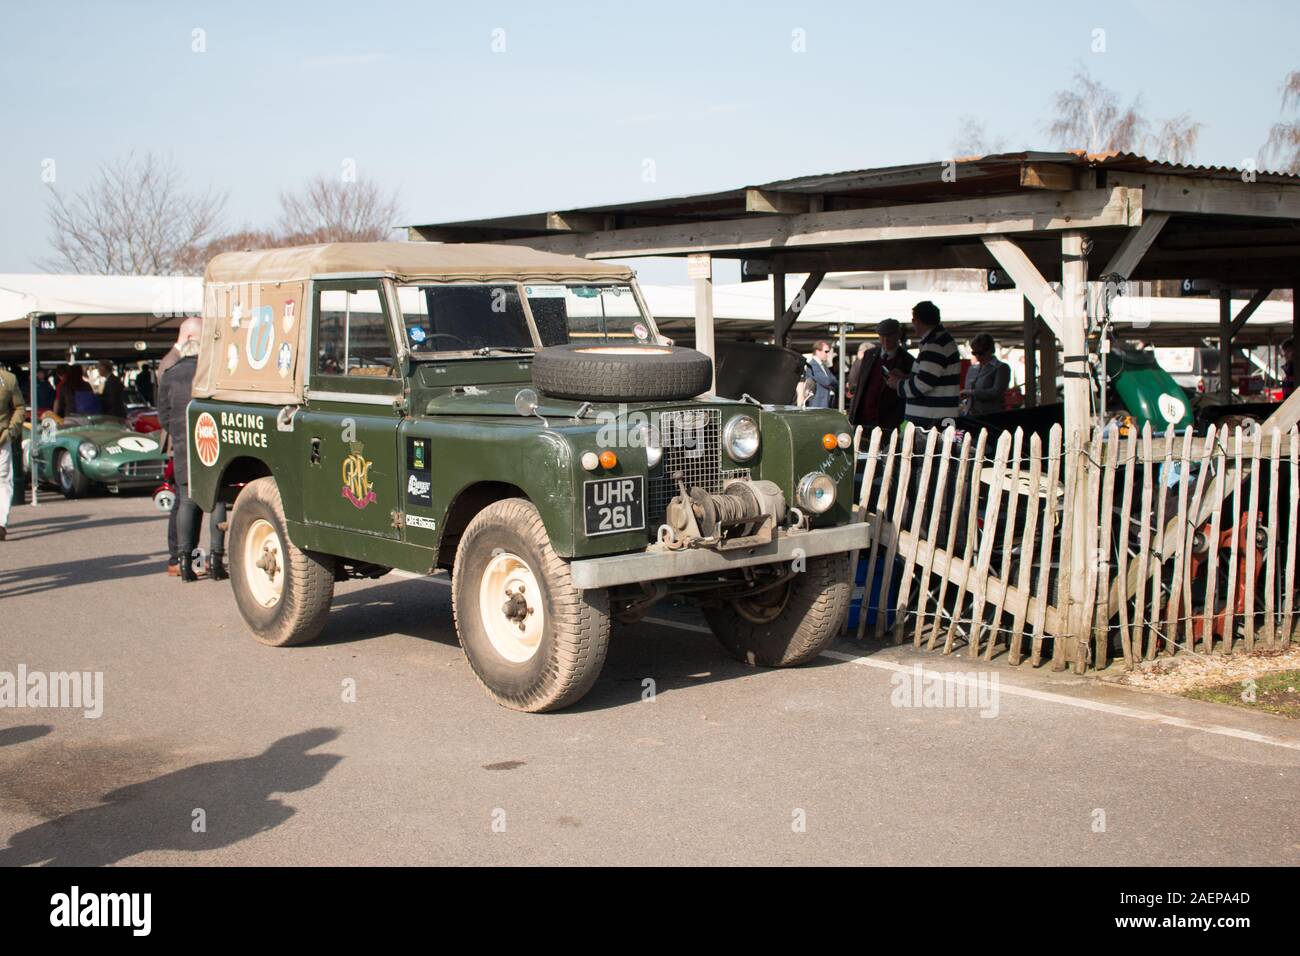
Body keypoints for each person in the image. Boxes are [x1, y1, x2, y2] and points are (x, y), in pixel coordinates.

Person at [158, 317, 227, 582]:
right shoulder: (212, 372)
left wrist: (178, 432)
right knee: (217, 500)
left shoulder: (170, 374)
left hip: (184, 443)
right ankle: (216, 562)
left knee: (187, 500)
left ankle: (185, 563)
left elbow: (163, 414)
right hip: (211, 441)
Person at [887, 301, 961, 428]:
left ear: (917, 321)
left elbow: (923, 384)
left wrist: (898, 384)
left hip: (930, 422)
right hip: (936, 418)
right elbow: (930, 378)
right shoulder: (940, 341)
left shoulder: (935, 345)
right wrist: (905, 378)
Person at [848, 318, 914, 432]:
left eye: (889, 335)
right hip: (862, 419)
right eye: (882, 336)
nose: (885, 339)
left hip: (888, 422)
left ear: (898, 335)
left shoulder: (908, 361)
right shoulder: (869, 355)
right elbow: (860, 384)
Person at [0, 363, 26, 541]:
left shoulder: (8, 379)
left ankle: (0, 523)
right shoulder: (8, 379)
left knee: (3, 480)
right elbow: (20, 408)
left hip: (2, 439)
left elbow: (19, 407)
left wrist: (10, 432)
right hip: (3, 438)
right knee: (3, 481)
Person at [961, 333, 1011, 416]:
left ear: (990, 350)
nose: (977, 356)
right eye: (974, 352)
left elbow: (996, 392)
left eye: (980, 353)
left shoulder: (1001, 368)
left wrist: (971, 392)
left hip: (991, 415)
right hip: (970, 414)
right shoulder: (972, 368)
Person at [803, 340, 838, 409]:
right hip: (817, 403)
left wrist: (831, 382)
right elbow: (826, 381)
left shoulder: (823, 366)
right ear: (817, 351)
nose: (827, 354)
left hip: (825, 402)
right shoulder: (812, 365)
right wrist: (831, 382)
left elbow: (835, 381)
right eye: (826, 352)